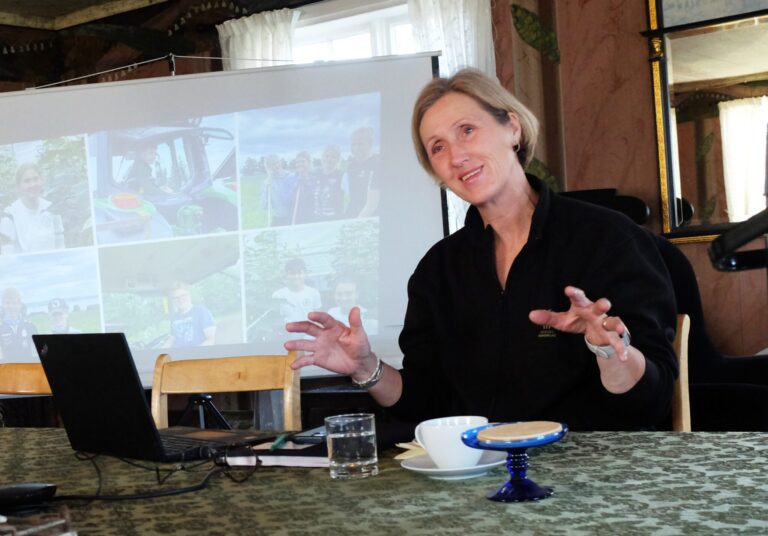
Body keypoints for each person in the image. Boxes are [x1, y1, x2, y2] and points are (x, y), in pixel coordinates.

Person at [284, 69, 678, 431]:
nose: (456, 157)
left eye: (467, 130)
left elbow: (653, 401)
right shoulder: (437, 270)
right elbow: (422, 403)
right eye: (438, 148)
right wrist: (365, 368)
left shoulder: (609, 239)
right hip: (477, 470)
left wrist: (609, 351)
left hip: (588, 467)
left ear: (512, 128)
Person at [0, 162, 65, 254]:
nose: (32, 184)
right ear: (19, 186)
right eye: (27, 181)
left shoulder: (51, 209)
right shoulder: (10, 216)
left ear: (41, 181)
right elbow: (7, 257)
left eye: (36, 179)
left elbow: (61, 249)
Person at [343, 127, 380, 218]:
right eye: (353, 144)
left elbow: (372, 204)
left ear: (370, 144)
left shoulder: (377, 165)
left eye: (360, 144)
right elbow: (350, 197)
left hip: (369, 218)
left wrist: (358, 222)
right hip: (352, 215)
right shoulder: (351, 166)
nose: (356, 148)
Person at [272, 259, 322, 325]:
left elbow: (319, 319)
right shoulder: (278, 295)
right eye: (292, 273)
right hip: (287, 331)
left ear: (305, 274)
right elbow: (274, 320)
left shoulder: (313, 293)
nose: (296, 277)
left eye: (299, 273)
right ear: (286, 274)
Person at [165, 282, 216, 347]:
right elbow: (172, 338)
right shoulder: (174, 317)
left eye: (183, 296)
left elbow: (212, 339)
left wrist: (194, 352)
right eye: (176, 298)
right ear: (173, 300)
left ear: (189, 295)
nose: (180, 300)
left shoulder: (201, 311)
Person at [259, 154, 298, 227]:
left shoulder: (291, 176)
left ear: (280, 162)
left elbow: (291, 199)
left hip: (293, 216)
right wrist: (267, 187)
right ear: (268, 168)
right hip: (278, 219)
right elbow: (264, 206)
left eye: (277, 163)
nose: (276, 166)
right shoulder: (267, 183)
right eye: (272, 165)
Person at [0, 287, 37, 359]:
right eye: (7, 303)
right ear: (3, 305)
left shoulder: (30, 326)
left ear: (20, 305)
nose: (11, 307)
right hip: (8, 366)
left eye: (14, 303)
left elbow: (43, 348)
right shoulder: (0, 328)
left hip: (28, 366)